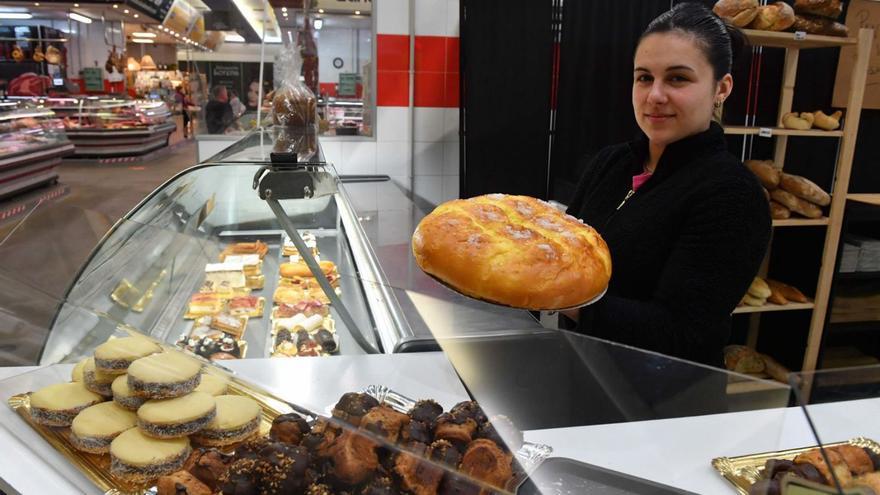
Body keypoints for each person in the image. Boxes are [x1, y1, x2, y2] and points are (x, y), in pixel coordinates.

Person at [565, 2, 770, 367]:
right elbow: (566, 258)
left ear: (721, 88)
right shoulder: (610, 164)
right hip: (581, 373)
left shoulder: (733, 195)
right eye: (644, 77)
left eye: (677, 78)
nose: (655, 95)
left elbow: (681, 331)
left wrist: (557, 299)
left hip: (664, 403)